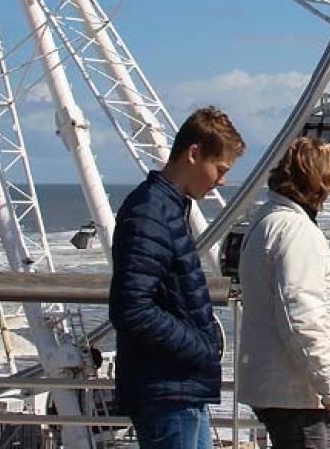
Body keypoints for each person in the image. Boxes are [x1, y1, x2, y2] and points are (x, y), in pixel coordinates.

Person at [110, 107, 246, 449]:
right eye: (220, 169)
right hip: (167, 388)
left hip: (178, 386)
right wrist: (199, 345)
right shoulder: (150, 212)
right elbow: (131, 308)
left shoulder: (165, 208)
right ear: (194, 153)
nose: (221, 181)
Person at [237, 136, 330, 449]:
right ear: (318, 182)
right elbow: (300, 316)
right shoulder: (296, 231)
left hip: (281, 389)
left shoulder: (266, 220)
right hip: (296, 393)